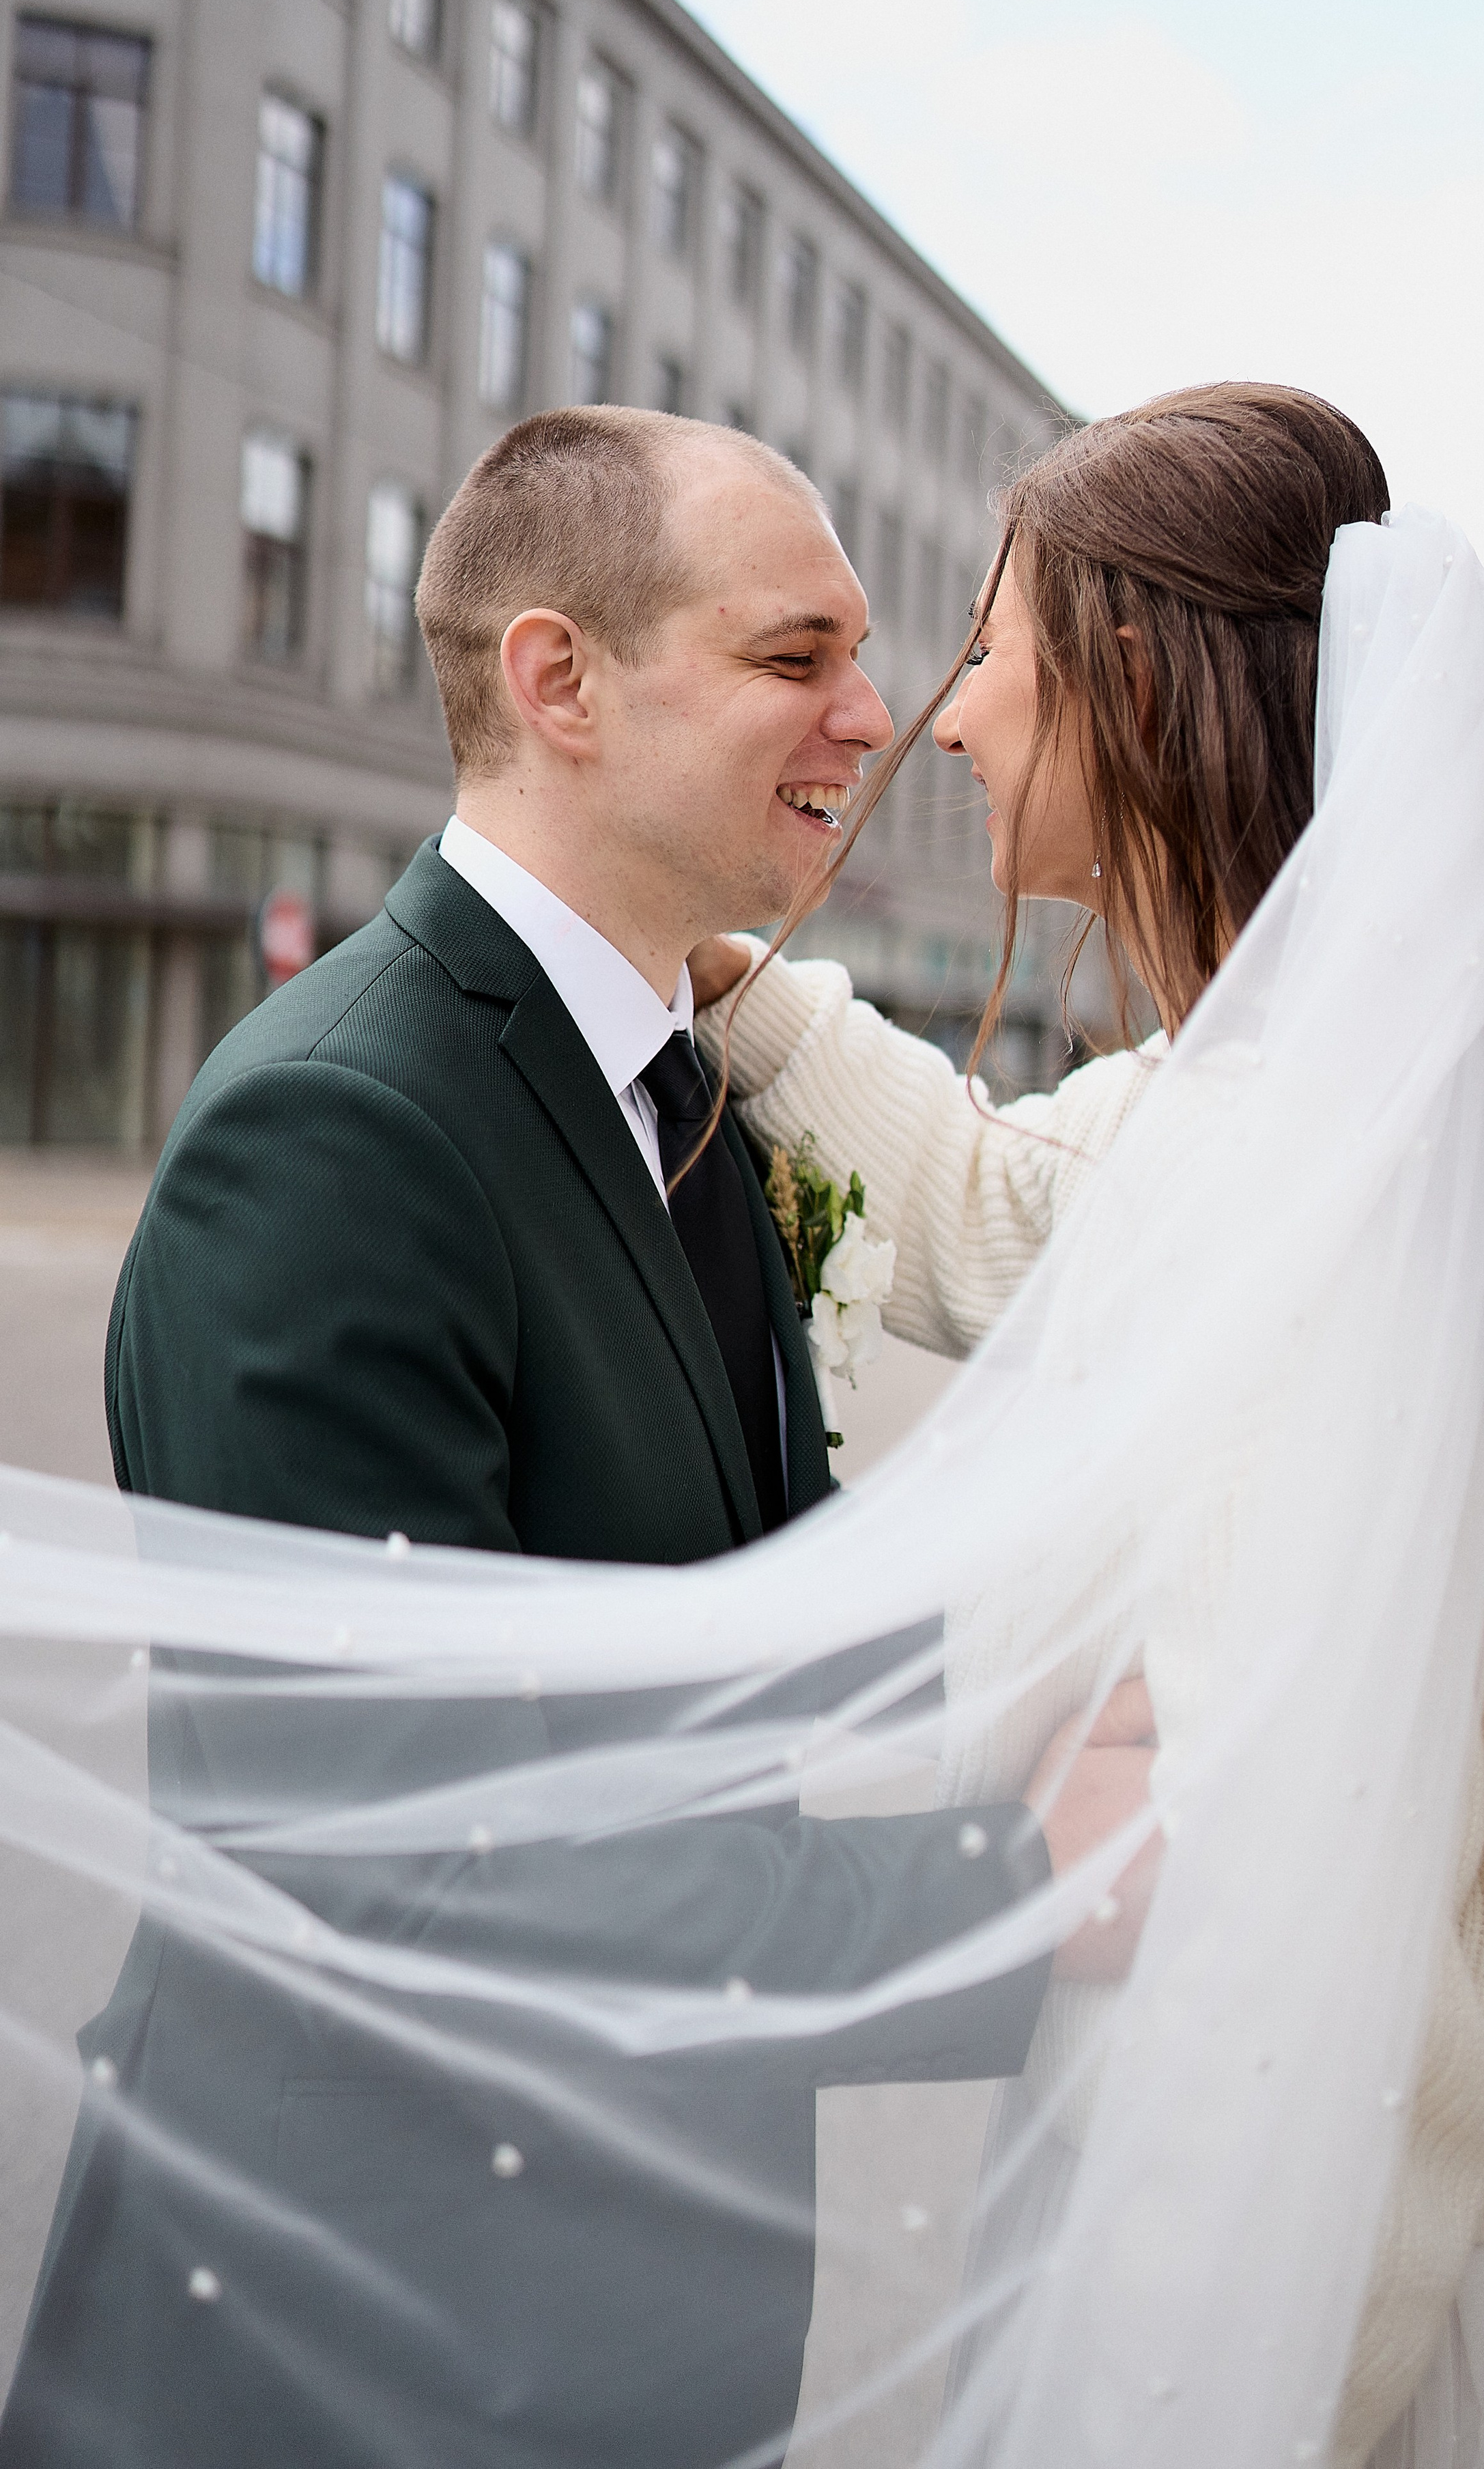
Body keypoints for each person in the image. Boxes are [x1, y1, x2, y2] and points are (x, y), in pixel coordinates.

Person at [0, 410, 1160, 2469]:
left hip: (635, 2331)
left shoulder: (690, 1080)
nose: (877, 714)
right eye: (796, 655)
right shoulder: (338, 1133)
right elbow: (418, 1878)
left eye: (866, 657)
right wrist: (1018, 1889)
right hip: (351, 2345)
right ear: (559, 682)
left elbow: (738, 1619)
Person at [687, 384, 1484, 2467]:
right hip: (1383, 2233)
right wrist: (703, 970)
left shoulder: (1288, 1184)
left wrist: (1189, 2381)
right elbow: (1010, 1204)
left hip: (1311, 2284)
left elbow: (1289, 1925)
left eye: (990, 648)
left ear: (1132, 688)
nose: (942, 717)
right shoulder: (1297, 1106)